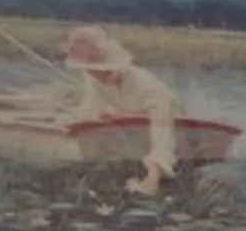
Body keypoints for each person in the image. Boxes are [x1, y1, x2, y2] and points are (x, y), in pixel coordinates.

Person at [61, 24, 183, 196]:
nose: (99, 75)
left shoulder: (150, 88)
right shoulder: (93, 79)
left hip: (165, 125)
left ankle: (157, 172)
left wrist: (152, 179)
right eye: (91, 69)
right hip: (131, 134)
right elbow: (88, 114)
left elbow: (162, 133)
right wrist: (76, 130)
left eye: (105, 69)